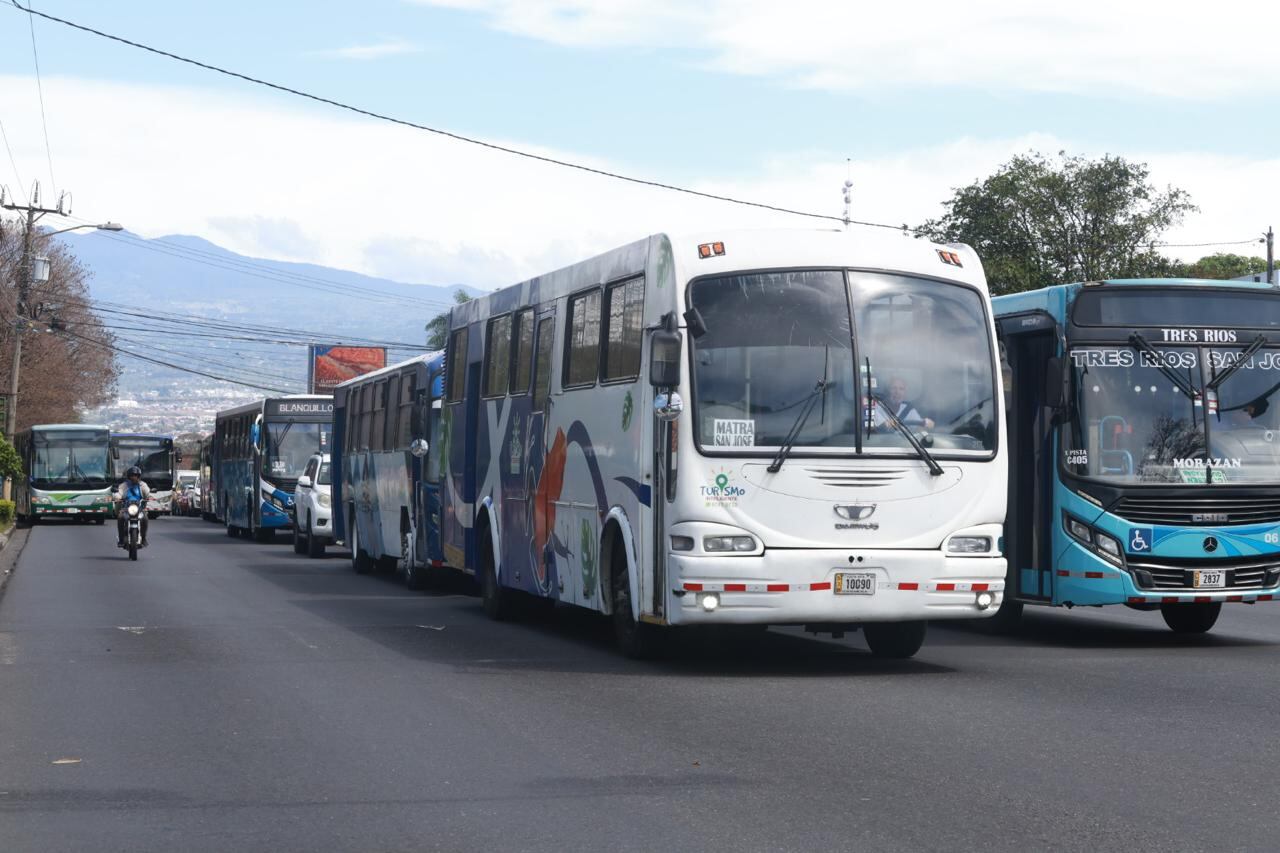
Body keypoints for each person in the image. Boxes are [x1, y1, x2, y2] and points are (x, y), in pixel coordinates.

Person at [115, 465, 150, 547]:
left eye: (136, 476)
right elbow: (119, 492)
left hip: (139, 508)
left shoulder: (142, 485)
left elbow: (147, 493)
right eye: (132, 475)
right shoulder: (124, 485)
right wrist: (117, 497)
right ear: (129, 476)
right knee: (120, 517)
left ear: (139, 476)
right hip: (126, 508)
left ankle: (144, 538)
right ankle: (121, 539)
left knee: (145, 518)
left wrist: (149, 495)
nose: (134, 477)